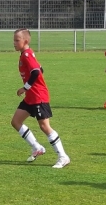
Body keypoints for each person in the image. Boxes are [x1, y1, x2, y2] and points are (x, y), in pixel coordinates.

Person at [10, 28, 70, 168]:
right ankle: (37, 147)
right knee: (16, 121)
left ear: (25, 41)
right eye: (14, 40)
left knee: (44, 126)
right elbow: (40, 68)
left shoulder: (26, 54)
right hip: (31, 97)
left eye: (17, 40)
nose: (14, 43)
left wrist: (25, 87)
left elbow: (36, 72)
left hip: (38, 96)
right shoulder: (26, 54)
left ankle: (63, 156)